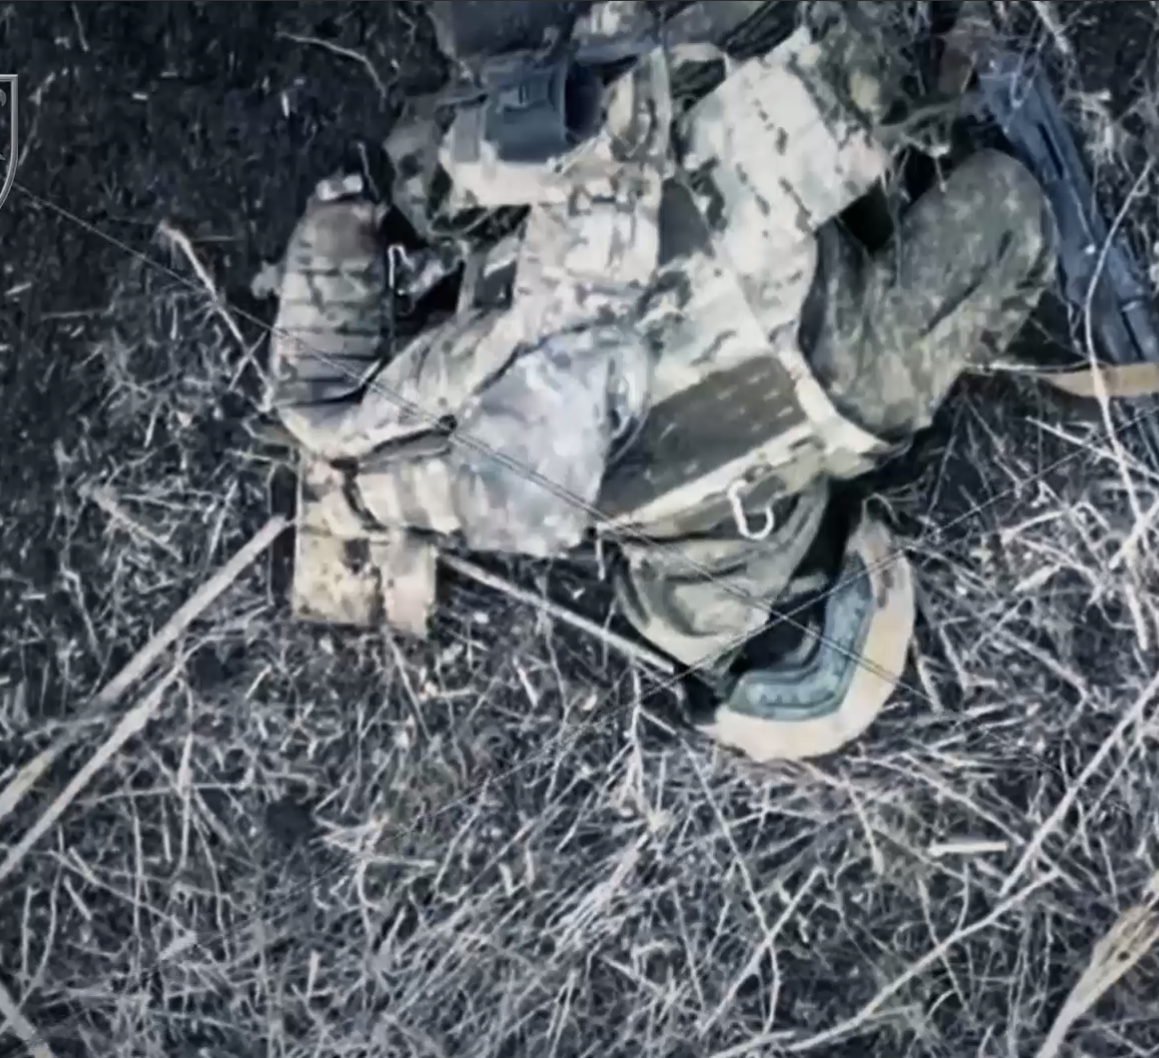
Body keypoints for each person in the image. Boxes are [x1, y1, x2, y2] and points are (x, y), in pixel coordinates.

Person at [260, 0, 1055, 759]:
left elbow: (1009, 201)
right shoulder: (549, 492)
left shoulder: (865, 401)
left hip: (694, 43)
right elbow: (347, 420)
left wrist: (971, 347)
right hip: (532, 91)